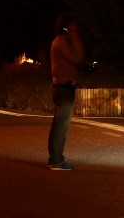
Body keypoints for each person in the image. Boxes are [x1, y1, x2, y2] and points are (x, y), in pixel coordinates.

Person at [47, 12, 85, 171]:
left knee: (60, 125)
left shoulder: (59, 42)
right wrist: (74, 36)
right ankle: (56, 160)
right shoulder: (61, 42)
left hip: (63, 87)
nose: (75, 28)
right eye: (72, 25)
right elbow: (77, 57)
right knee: (61, 126)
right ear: (66, 26)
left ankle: (55, 159)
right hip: (64, 88)